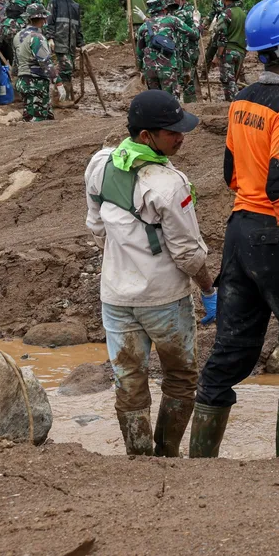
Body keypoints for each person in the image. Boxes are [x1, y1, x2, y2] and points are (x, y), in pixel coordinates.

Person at [193, 0, 279, 458]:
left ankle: (198, 461)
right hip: (276, 237)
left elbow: (231, 173)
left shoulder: (242, 100)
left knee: (232, 351)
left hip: (238, 233)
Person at [85, 90, 212, 456]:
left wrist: (123, 257)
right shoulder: (169, 184)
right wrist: (207, 288)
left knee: (128, 382)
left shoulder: (100, 164)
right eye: (171, 131)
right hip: (165, 301)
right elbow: (187, 253)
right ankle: (168, 454)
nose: (180, 136)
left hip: (115, 299)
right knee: (180, 378)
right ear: (146, 137)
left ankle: (138, 459)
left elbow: (96, 228)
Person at [12, 4, 57, 122]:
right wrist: (58, 81)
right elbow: (45, 62)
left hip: (23, 80)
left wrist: (15, 74)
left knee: (31, 112)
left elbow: (16, 60)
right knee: (37, 119)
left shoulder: (18, 36)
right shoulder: (37, 37)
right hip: (35, 81)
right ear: (43, 20)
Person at [45, 0, 84, 105]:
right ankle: (59, 99)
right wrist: (50, 37)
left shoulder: (75, 5)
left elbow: (78, 26)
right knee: (66, 68)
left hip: (71, 44)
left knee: (68, 70)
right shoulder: (54, 2)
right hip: (59, 42)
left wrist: (80, 43)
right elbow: (49, 21)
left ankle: (64, 98)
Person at [206, 0, 247, 102]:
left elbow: (221, 37)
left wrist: (218, 56)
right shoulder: (243, 14)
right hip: (241, 51)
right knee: (233, 79)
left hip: (228, 52)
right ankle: (231, 103)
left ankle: (234, 104)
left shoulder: (226, 13)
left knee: (228, 82)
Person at [162, 0, 201, 102]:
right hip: (178, 51)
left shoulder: (184, 13)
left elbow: (195, 34)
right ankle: (183, 102)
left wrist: (197, 23)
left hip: (187, 50)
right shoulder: (174, 17)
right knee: (182, 78)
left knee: (186, 78)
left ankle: (189, 103)